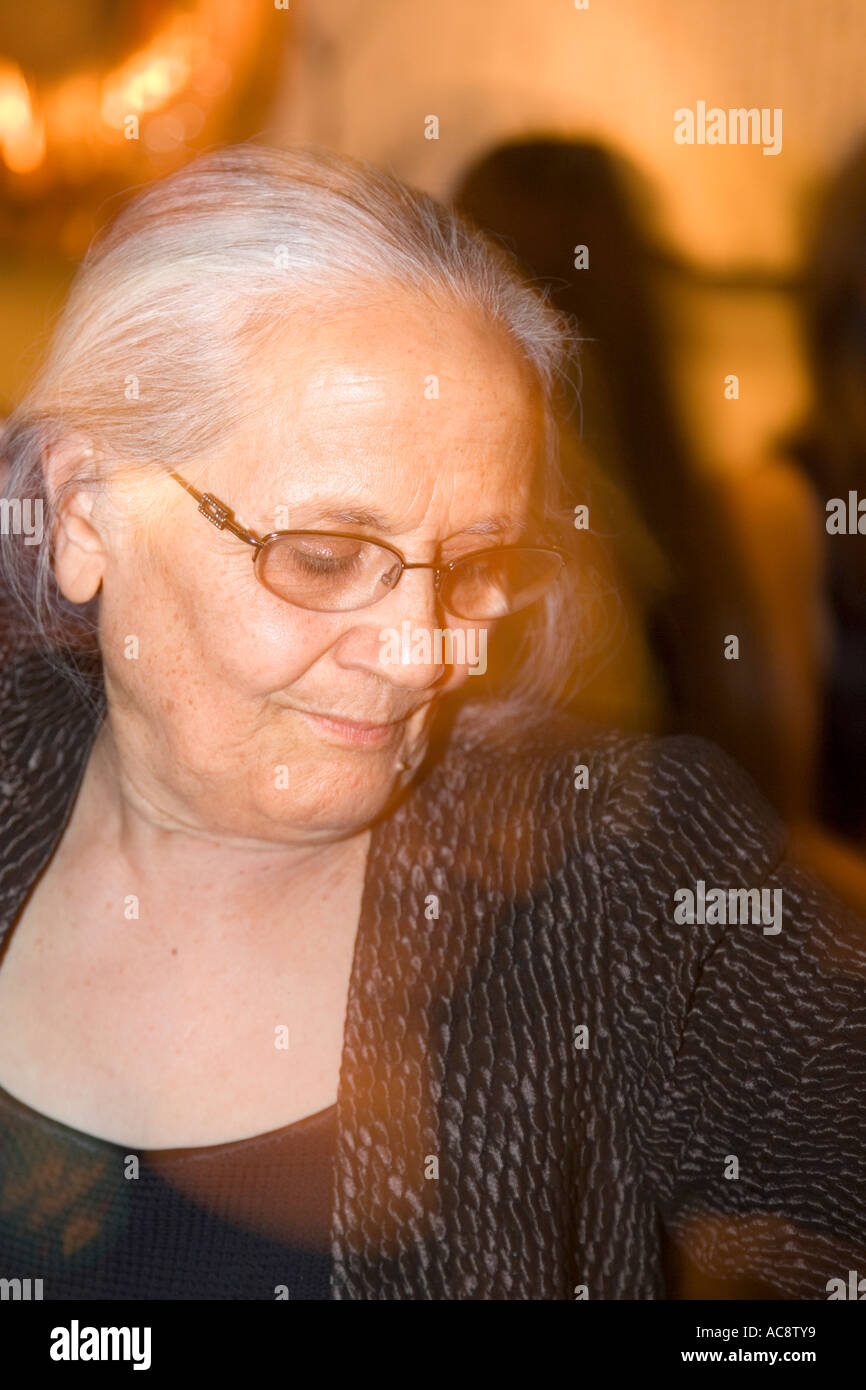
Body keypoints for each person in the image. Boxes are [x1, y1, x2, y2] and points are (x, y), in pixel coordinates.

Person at [0, 143, 863, 1300]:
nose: (424, 655)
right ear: (81, 508)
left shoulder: (627, 869)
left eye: (474, 564)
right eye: (322, 557)